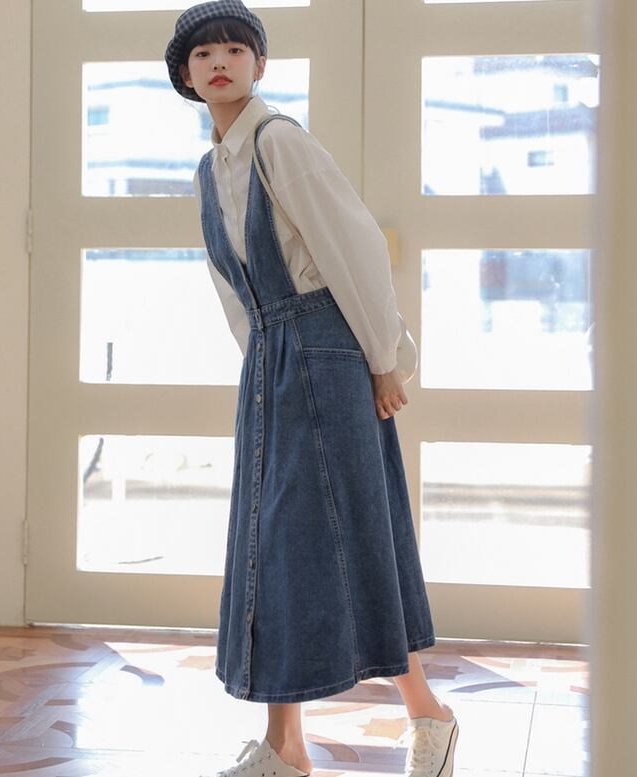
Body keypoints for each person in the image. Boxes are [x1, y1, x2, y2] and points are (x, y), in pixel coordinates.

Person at [165, 3, 459, 776]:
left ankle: (424, 714)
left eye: (235, 49)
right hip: (271, 364)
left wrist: (383, 359)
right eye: (203, 54)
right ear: (185, 76)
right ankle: (289, 744)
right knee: (274, 548)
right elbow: (234, 293)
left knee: (349, 533)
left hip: (327, 355)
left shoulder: (280, 143)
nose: (220, 62)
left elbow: (353, 246)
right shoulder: (209, 171)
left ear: (259, 65)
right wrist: (261, 365)